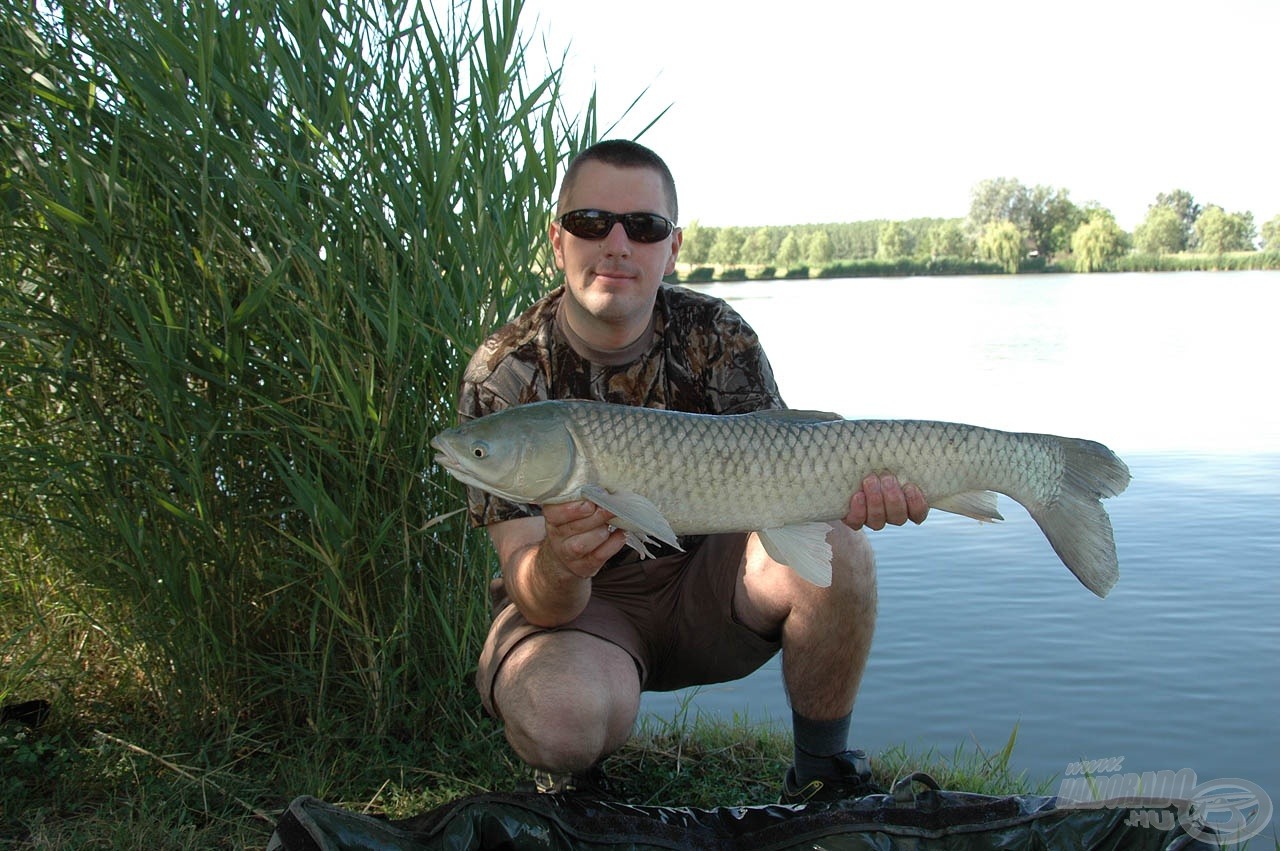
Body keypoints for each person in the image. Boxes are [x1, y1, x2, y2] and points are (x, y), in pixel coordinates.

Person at [456, 139, 929, 802]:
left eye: (642, 227)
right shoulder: (505, 374)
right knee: (560, 718)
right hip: (586, 613)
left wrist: (863, 491)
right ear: (558, 240)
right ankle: (576, 773)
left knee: (841, 547)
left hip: (715, 586)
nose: (617, 244)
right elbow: (533, 591)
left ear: (671, 248)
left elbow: (789, 462)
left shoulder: (715, 333)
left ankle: (823, 772)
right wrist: (562, 561)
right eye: (593, 223)